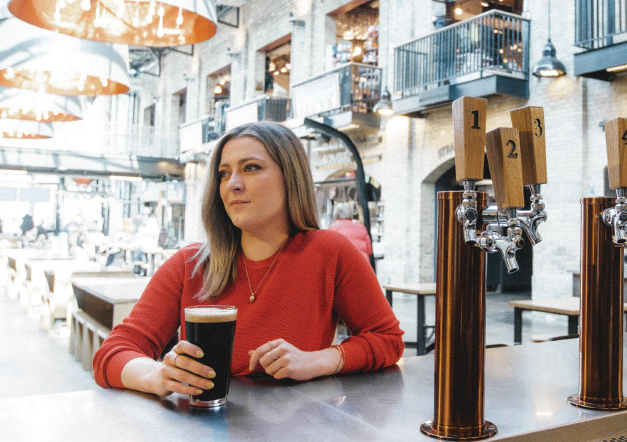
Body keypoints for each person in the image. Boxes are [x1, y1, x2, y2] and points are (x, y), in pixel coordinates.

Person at [93, 122, 404, 398]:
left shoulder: (329, 251)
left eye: (251, 168)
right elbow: (112, 354)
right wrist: (157, 374)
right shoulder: (189, 264)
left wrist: (319, 360)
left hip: (303, 440)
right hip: (205, 438)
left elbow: (388, 340)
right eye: (224, 173)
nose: (233, 184)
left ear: (289, 177)